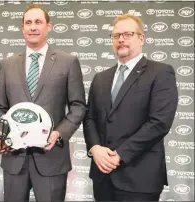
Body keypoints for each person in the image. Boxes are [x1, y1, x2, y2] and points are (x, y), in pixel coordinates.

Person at [0, 4, 86, 201]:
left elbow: (78, 106)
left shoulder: (68, 62)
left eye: (38, 22)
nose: (33, 27)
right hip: (14, 157)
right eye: (28, 23)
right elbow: (0, 107)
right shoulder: (7, 64)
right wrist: (3, 135)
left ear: (49, 26)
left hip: (51, 158)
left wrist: (59, 134)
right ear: (22, 28)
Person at [83, 14, 178, 201]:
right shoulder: (100, 78)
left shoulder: (160, 72)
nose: (121, 39)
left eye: (127, 34)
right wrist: (95, 148)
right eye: (116, 35)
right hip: (102, 178)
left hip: (140, 178)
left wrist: (119, 155)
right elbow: (90, 119)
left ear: (141, 38)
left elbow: (159, 123)